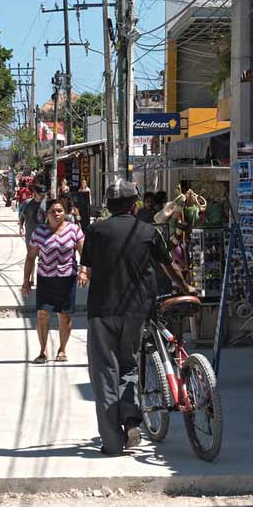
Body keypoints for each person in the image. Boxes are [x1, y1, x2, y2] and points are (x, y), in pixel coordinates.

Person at [79, 180, 191, 455]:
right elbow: (169, 266)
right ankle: (130, 419)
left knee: (105, 372)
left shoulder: (95, 230)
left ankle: (113, 443)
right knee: (128, 365)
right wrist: (183, 287)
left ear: (107, 205)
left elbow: (87, 267)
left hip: (102, 311)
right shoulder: (148, 231)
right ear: (134, 204)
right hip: (137, 309)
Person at [22, 197, 85, 364]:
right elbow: (30, 257)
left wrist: (83, 271)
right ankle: (42, 352)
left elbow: (84, 254)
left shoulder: (73, 230)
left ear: (65, 213)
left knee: (64, 316)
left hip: (67, 279)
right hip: (45, 279)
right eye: (53, 211)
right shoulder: (39, 232)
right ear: (46, 214)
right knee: (42, 314)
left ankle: (62, 349)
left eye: (60, 211)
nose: (57, 214)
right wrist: (26, 281)